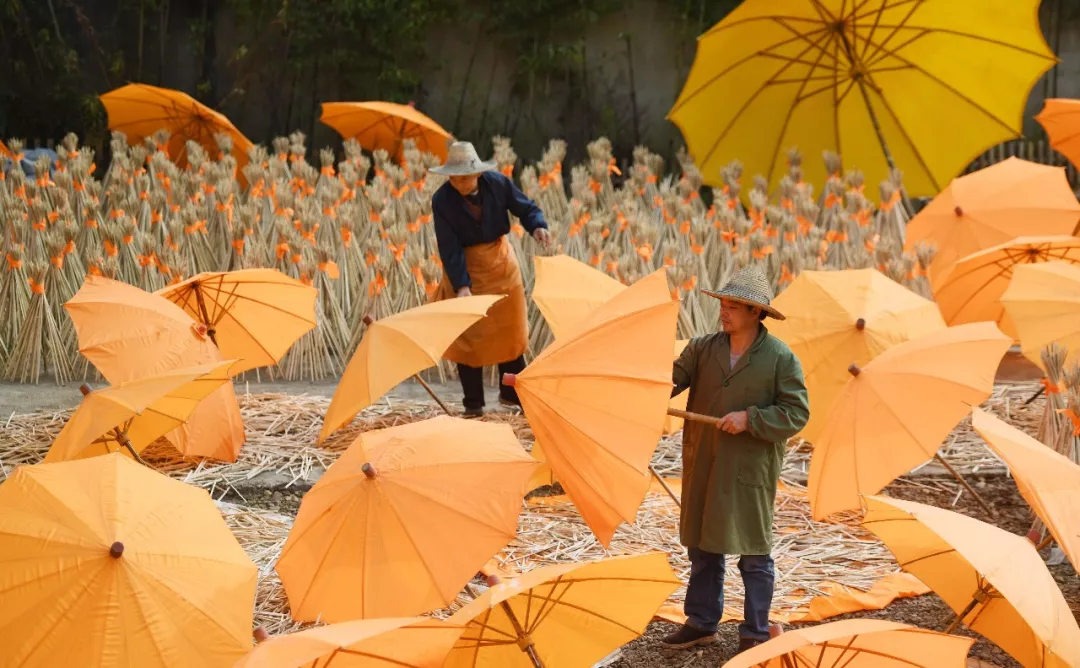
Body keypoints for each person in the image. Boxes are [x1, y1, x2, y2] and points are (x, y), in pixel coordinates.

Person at [662, 266, 809, 653]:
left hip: (749, 469)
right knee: (703, 546)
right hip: (705, 462)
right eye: (722, 305)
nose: (723, 313)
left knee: (754, 551)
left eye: (732, 307)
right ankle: (701, 621)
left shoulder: (780, 359)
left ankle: (756, 632)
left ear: (756, 313)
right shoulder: (702, 349)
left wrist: (751, 419)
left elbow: (797, 413)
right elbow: (666, 381)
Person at [430, 141, 552, 417]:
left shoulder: (499, 184)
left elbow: (527, 208)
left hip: (501, 265)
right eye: (454, 178)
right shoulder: (442, 201)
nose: (458, 184)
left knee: (509, 331)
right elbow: (448, 247)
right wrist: (461, 286)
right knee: (469, 339)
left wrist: (538, 227)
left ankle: (512, 393)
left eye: (463, 178)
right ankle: (473, 404)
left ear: (478, 174)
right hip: (465, 267)